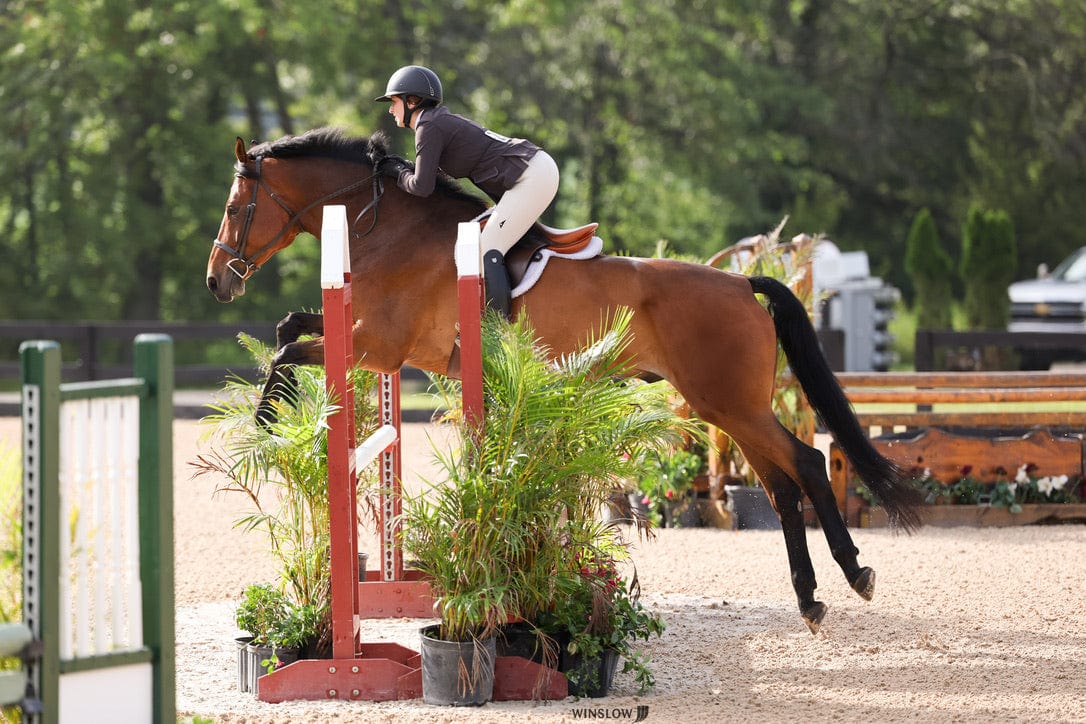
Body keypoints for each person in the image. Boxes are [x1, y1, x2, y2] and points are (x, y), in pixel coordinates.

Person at [375, 65, 559, 318]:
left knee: (487, 246)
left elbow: (421, 187)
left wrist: (396, 171)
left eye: (393, 101)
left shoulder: (428, 126)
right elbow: (428, 176)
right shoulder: (434, 122)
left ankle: (497, 329)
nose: (390, 108)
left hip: (532, 176)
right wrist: (400, 168)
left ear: (412, 101)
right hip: (533, 171)